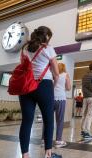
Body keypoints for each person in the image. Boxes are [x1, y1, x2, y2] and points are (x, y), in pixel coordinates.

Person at [18, 26, 61, 158]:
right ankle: (48, 153)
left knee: (26, 121)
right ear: (47, 36)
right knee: (48, 120)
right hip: (44, 85)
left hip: (26, 87)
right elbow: (57, 74)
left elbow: (23, 67)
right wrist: (52, 88)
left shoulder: (24, 49)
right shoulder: (48, 49)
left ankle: (25, 155)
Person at [52, 63, 71, 148]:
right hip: (61, 99)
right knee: (60, 120)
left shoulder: (53, 74)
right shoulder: (65, 75)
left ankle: (43, 140)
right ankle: (58, 140)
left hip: (51, 98)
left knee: (47, 120)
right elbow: (68, 87)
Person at [81, 63, 92, 140]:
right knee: (90, 115)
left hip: (85, 97)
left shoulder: (84, 76)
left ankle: (83, 130)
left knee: (84, 115)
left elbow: (83, 87)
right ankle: (87, 132)